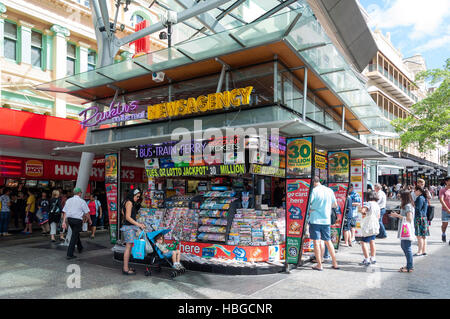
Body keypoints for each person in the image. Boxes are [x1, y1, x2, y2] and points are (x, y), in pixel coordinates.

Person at [307, 176, 339, 271]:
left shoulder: (314, 191)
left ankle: (319, 264)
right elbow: (335, 205)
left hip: (315, 219)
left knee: (316, 241)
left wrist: (313, 208)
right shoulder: (329, 190)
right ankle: (335, 263)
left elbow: (308, 204)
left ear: (313, 183)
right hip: (326, 220)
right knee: (328, 241)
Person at [61, 187, 92, 260]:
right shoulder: (82, 201)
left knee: (75, 233)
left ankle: (80, 247)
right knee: (74, 236)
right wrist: (90, 220)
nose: (81, 193)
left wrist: (64, 221)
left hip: (70, 220)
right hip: (78, 220)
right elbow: (87, 212)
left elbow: (65, 211)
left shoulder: (68, 200)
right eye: (81, 192)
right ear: (79, 193)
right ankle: (69, 254)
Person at [120, 189, 145, 275]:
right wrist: (138, 224)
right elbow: (127, 217)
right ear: (132, 195)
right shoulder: (130, 203)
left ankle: (126, 267)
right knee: (128, 247)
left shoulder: (126, 202)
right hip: (129, 228)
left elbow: (123, 212)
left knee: (129, 247)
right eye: (137, 196)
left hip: (128, 227)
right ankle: (125, 269)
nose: (138, 198)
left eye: (139, 197)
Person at [390, 190, 415, 273]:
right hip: (405, 229)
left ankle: (410, 267)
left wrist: (397, 215)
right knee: (404, 246)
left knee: (407, 247)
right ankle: (408, 265)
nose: (399, 198)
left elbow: (409, 218)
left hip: (406, 229)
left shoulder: (408, 206)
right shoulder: (408, 205)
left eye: (400, 196)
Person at [359, 191, 380, 266]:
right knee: (372, 241)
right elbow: (378, 216)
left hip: (368, 225)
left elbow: (363, 211)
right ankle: (373, 258)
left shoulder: (368, 203)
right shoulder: (377, 205)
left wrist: (363, 213)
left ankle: (367, 259)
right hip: (375, 224)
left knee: (363, 242)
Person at [414, 186, 429, 256]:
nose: (414, 192)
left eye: (415, 191)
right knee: (424, 236)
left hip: (419, 218)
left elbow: (418, 209)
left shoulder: (419, 198)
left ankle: (419, 251)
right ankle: (424, 250)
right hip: (424, 218)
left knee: (419, 236)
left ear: (419, 191)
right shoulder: (424, 198)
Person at [439, 176, 450, 244]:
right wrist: (447, 209)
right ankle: (443, 234)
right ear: (446, 182)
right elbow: (441, 200)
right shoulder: (442, 190)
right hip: (445, 210)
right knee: (444, 225)